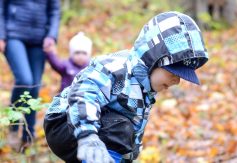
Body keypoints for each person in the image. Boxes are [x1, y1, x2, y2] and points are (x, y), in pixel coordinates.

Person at [44, 11, 209, 163]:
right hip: (64, 122)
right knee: (120, 127)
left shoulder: (144, 88)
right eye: (173, 73)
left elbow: (131, 133)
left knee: (122, 130)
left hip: (98, 129)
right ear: (153, 59)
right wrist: (87, 133)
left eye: (180, 77)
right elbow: (83, 94)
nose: (176, 81)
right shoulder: (116, 68)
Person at [0, 0, 60, 151]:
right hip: (13, 35)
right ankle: (13, 126)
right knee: (25, 81)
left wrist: (51, 36)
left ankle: (28, 136)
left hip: (39, 38)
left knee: (34, 86)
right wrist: (1, 35)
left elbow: (54, 11)